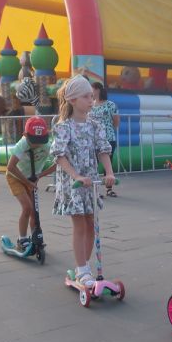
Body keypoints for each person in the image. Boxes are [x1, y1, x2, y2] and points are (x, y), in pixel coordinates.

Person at [50, 75, 115, 288]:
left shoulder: (95, 125)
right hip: (74, 183)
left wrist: (109, 173)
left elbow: (103, 150)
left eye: (92, 97)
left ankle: (84, 266)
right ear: (73, 100)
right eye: (87, 97)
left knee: (91, 224)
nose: (92, 101)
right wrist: (75, 175)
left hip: (91, 181)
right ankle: (82, 270)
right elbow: (59, 155)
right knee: (80, 225)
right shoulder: (64, 127)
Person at [6, 116, 56, 252]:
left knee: (35, 212)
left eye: (40, 141)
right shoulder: (22, 145)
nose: (36, 145)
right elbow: (10, 167)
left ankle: (35, 238)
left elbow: (58, 163)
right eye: (33, 141)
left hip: (32, 179)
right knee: (27, 208)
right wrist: (27, 181)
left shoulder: (47, 145)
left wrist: (40, 175)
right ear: (25, 135)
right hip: (15, 177)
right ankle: (22, 240)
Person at [90, 82, 120, 196]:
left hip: (108, 138)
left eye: (92, 89)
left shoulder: (110, 105)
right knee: (94, 164)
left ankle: (109, 188)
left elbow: (116, 121)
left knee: (108, 164)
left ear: (97, 90)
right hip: (93, 139)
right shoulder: (90, 105)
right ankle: (95, 190)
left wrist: (106, 129)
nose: (90, 92)